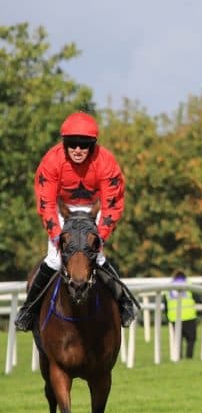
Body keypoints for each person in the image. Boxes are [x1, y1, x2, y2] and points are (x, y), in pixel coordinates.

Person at [15, 111, 137, 331]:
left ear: (93, 145)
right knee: (54, 259)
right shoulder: (51, 161)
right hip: (62, 210)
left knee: (97, 257)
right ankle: (29, 309)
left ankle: (124, 304)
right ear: (64, 143)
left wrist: (99, 236)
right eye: (72, 144)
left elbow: (112, 204)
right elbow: (47, 204)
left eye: (84, 144)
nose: (78, 149)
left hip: (93, 210)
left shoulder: (106, 162)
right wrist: (57, 236)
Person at [166, 270, 199, 359]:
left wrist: (167, 316)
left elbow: (165, 303)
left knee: (178, 340)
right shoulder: (189, 284)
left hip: (174, 317)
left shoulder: (168, 286)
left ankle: (179, 357)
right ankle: (189, 357)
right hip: (189, 316)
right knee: (191, 339)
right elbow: (197, 298)